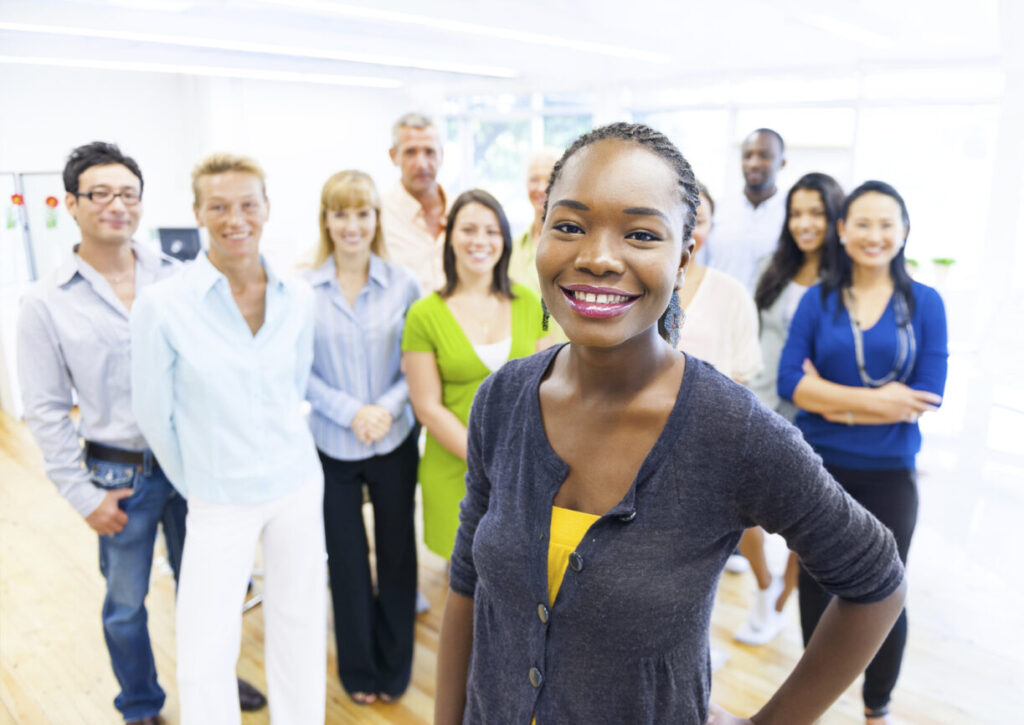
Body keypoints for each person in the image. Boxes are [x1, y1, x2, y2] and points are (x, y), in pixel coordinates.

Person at [434, 123, 908, 725]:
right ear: (538, 236)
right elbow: (467, 583)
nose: (597, 257)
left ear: (683, 256)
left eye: (639, 234)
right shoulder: (502, 399)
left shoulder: (729, 431)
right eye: (570, 225)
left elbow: (876, 581)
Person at [16, 142, 264, 725]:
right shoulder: (44, 302)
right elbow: (47, 410)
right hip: (117, 475)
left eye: (128, 194)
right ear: (72, 204)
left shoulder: (179, 277)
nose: (117, 205)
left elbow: (214, 370)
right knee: (126, 605)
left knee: (212, 588)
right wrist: (83, 497)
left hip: (193, 463)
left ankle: (215, 680)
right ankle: (141, 704)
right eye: (100, 193)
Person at [131, 153, 325, 724]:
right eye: (218, 206)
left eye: (247, 204)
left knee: (299, 626)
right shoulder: (163, 306)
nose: (234, 218)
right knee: (203, 653)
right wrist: (201, 483)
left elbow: (295, 384)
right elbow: (153, 414)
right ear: (198, 213)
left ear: (265, 209)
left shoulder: (298, 297)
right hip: (218, 497)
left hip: (295, 484)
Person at [778, 180, 947, 724]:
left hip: (889, 472)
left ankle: (878, 707)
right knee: (816, 587)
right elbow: (788, 383)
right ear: (843, 231)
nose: (874, 235)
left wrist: (829, 400)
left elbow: (925, 396)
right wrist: (877, 402)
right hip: (818, 468)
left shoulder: (925, 302)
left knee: (886, 593)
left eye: (886, 224)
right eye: (863, 223)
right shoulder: (817, 299)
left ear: (903, 232)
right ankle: (814, 703)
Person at [305, 170, 421, 706]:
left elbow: (416, 365)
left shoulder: (403, 284)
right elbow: (298, 370)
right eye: (341, 213)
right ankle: (359, 667)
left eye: (363, 213)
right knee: (346, 561)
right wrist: (352, 412)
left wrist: (385, 409)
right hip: (333, 444)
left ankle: (395, 665)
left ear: (377, 218)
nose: (352, 225)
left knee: (397, 556)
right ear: (326, 221)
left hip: (393, 439)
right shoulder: (302, 291)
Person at [732, 172, 847, 647]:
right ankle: (765, 586)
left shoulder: (844, 280)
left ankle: (783, 598)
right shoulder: (770, 268)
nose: (805, 223)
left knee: (805, 521)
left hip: (812, 412)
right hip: (758, 403)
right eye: (797, 213)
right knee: (741, 510)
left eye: (816, 213)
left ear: (835, 217)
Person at [402, 189, 545, 561]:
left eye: (491, 231)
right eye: (468, 230)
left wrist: (519, 462)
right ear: (450, 237)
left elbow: (546, 386)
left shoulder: (531, 301)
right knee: (465, 581)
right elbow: (427, 407)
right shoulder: (423, 313)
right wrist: (487, 462)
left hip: (521, 468)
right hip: (455, 469)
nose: (480, 241)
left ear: (504, 240)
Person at [675, 181, 761, 383]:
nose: (687, 231)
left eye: (699, 222)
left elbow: (743, 374)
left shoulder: (733, 293)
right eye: (679, 219)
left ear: (712, 227)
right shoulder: (633, 287)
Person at [705, 128, 787, 292]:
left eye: (764, 156)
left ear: (782, 163)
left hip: (767, 313)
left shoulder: (790, 213)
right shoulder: (718, 209)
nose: (754, 163)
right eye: (747, 156)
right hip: (718, 308)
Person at [382, 111, 448, 295]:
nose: (421, 163)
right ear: (393, 155)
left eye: (429, 152)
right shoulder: (376, 215)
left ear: (441, 155)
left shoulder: (464, 212)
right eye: (410, 152)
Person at [509, 147, 565, 344]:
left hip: (571, 357)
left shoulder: (580, 247)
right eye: (534, 179)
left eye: (550, 179)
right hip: (523, 362)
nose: (541, 188)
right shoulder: (509, 249)